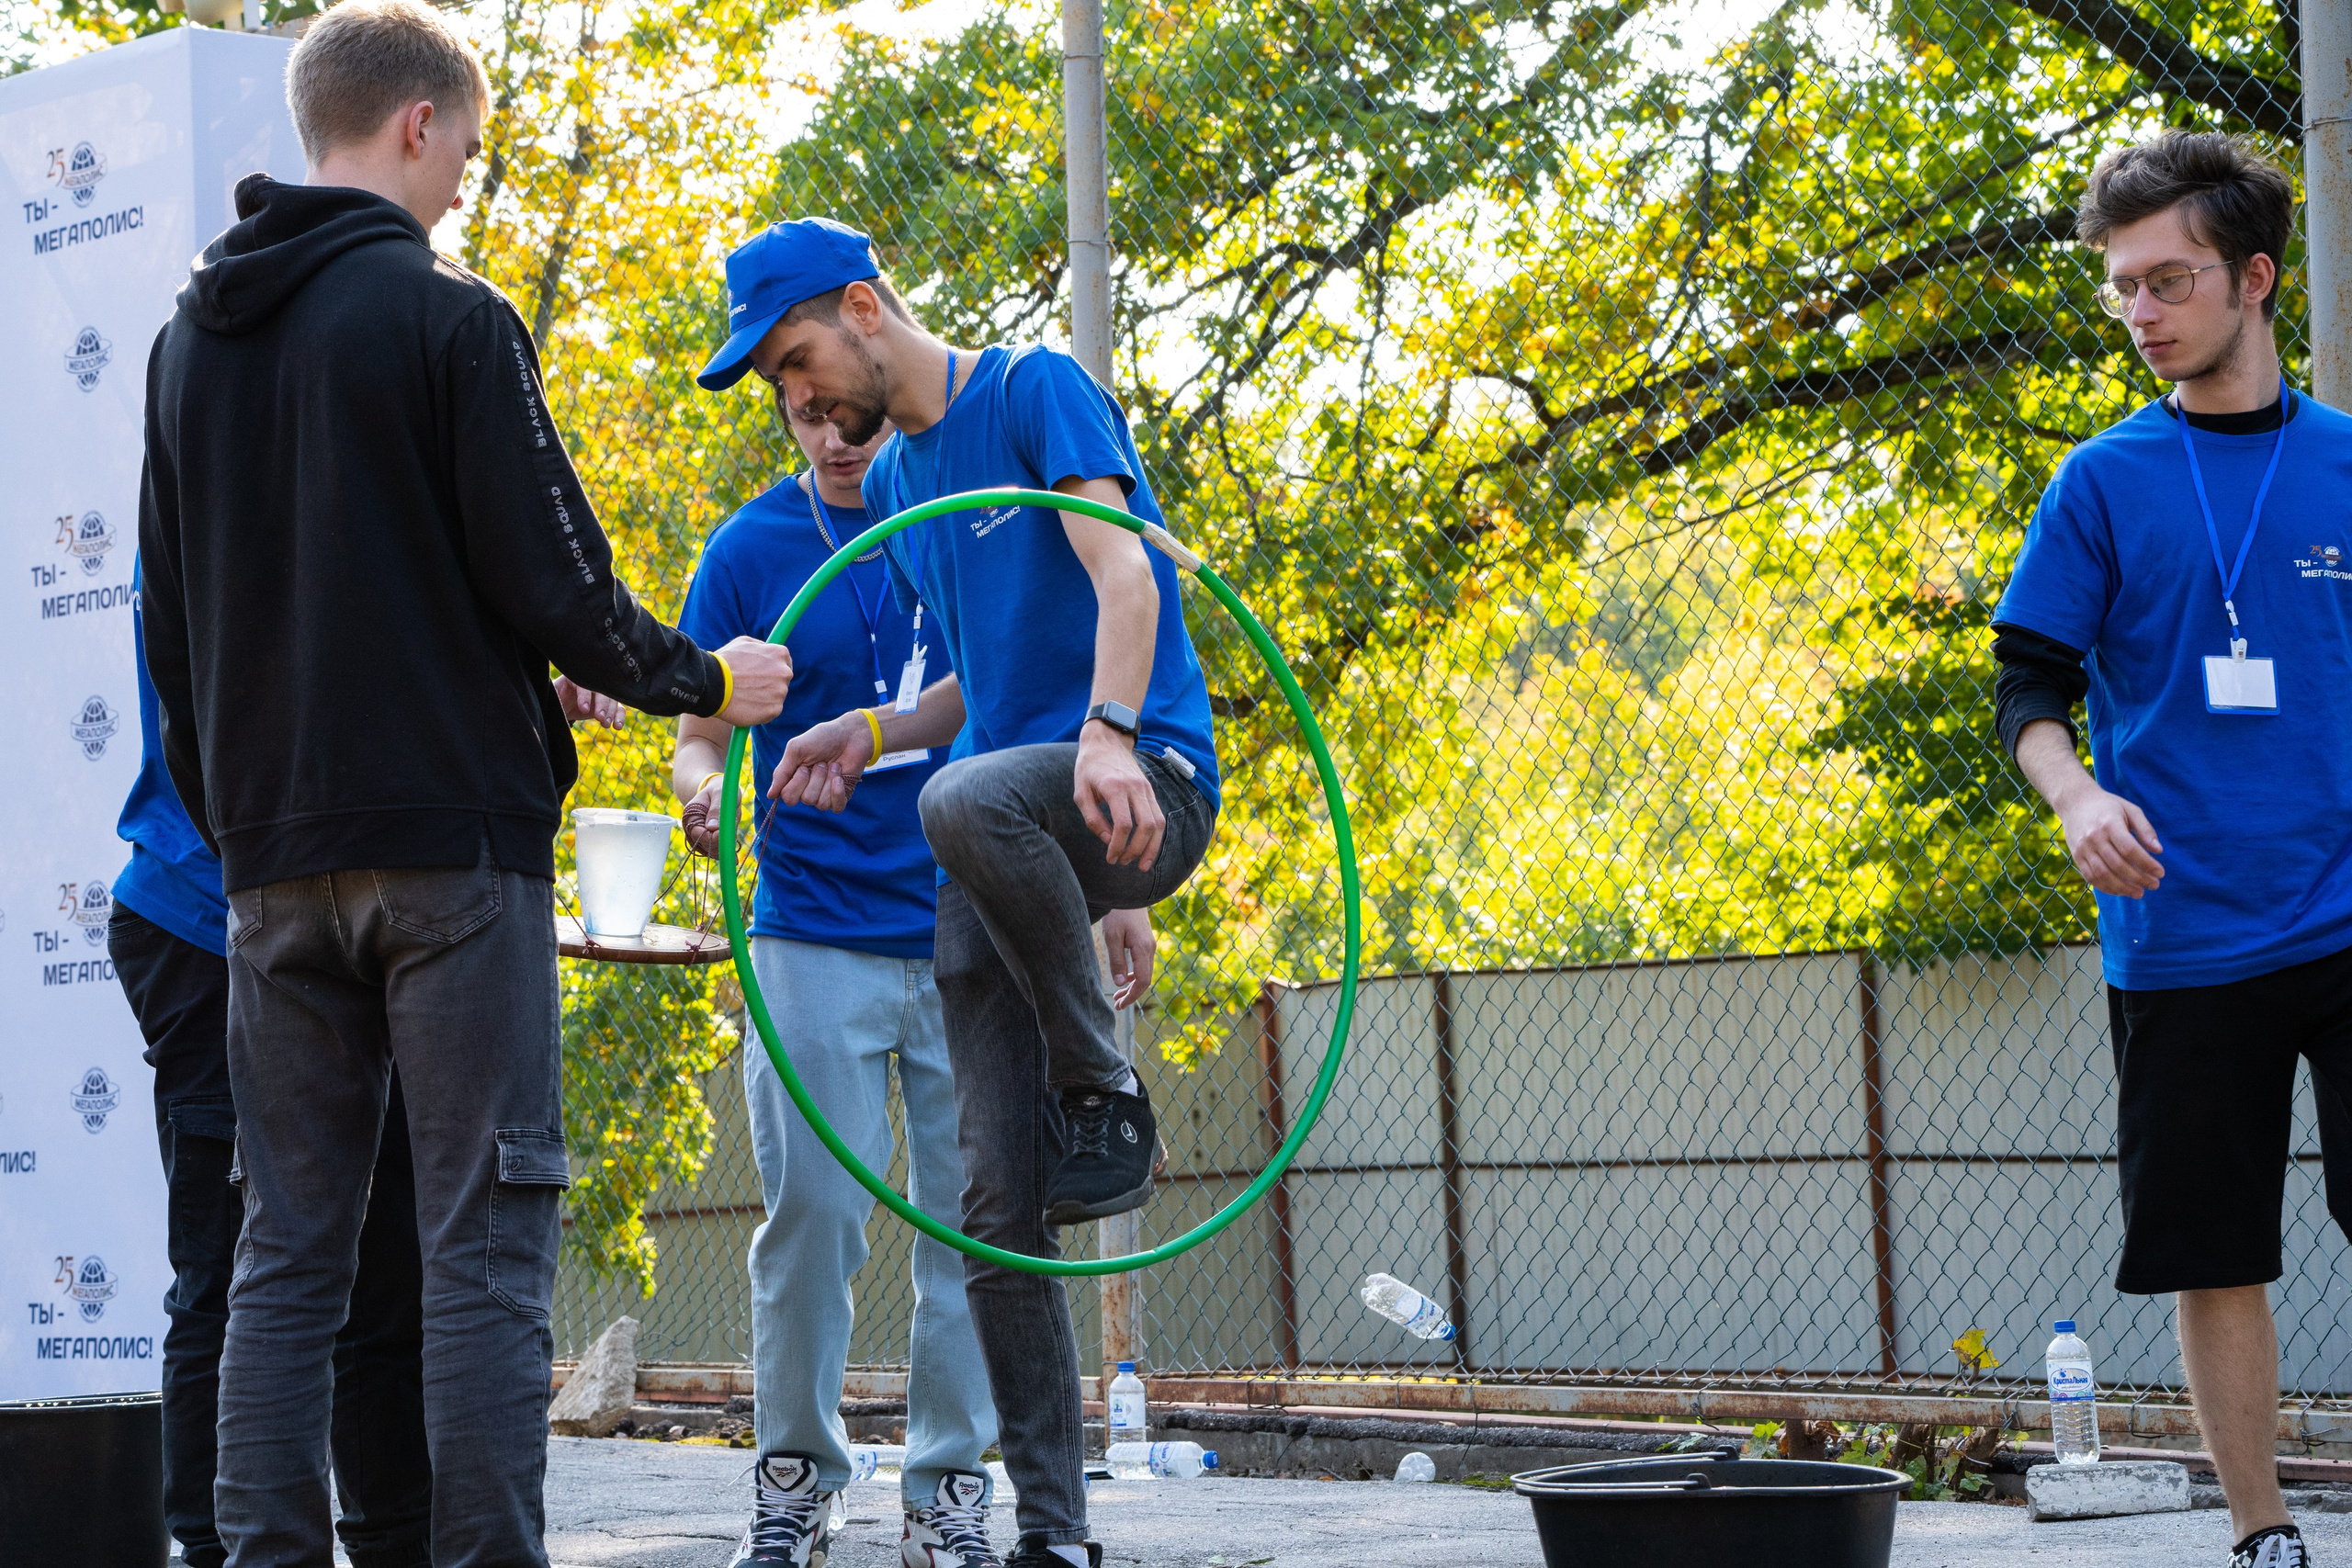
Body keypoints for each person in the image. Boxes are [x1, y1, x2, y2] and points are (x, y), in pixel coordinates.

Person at [133, 5, 791, 1564]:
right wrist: (709, 679)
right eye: (472, 152)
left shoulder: (180, 348)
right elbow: (558, 578)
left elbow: (170, 626)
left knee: (284, 1248)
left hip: (271, 864)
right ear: (416, 126)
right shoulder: (447, 319)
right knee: (483, 1245)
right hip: (449, 860)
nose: (466, 187)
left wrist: (244, 827)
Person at [696, 217, 1217, 1568]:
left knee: (960, 799)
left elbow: (1127, 571)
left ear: (865, 307)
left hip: (1136, 772)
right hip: (1012, 828)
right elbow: (976, 695)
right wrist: (867, 730)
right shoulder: (912, 482)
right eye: (775, 383)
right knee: (995, 1213)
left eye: (798, 357)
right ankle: (1054, 1531)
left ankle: (1103, 1085)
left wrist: (1108, 740)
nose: (795, 397)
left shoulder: (1034, 389)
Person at [1993, 130, 2350, 1568]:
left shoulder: (2344, 469)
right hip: (2183, 935)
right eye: (2122, 288)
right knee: (2219, 1248)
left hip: (2346, 915)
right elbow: (2029, 687)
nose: (2142, 311)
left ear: (2254, 279)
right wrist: (2078, 797)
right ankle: (2265, 1530)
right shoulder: (2100, 480)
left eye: (2171, 279)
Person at [667, 394, 1012, 1565]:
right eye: (806, 416)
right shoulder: (749, 548)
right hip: (810, 929)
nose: (835, 437)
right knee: (812, 1213)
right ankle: (797, 1480)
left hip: (970, 918)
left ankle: (945, 1489)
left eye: (850, 412)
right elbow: (698, 724)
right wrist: (699, 786)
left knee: (972, 1221)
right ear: (784, 418)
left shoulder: (963, 525)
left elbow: (1026, 689)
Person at [109, 562, 435, 1568]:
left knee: (384, 1263)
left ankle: (393, 1543)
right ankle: (213, 1550)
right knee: (231, 1265)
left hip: (349, 921)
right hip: (213, 923)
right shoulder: (222, 459)